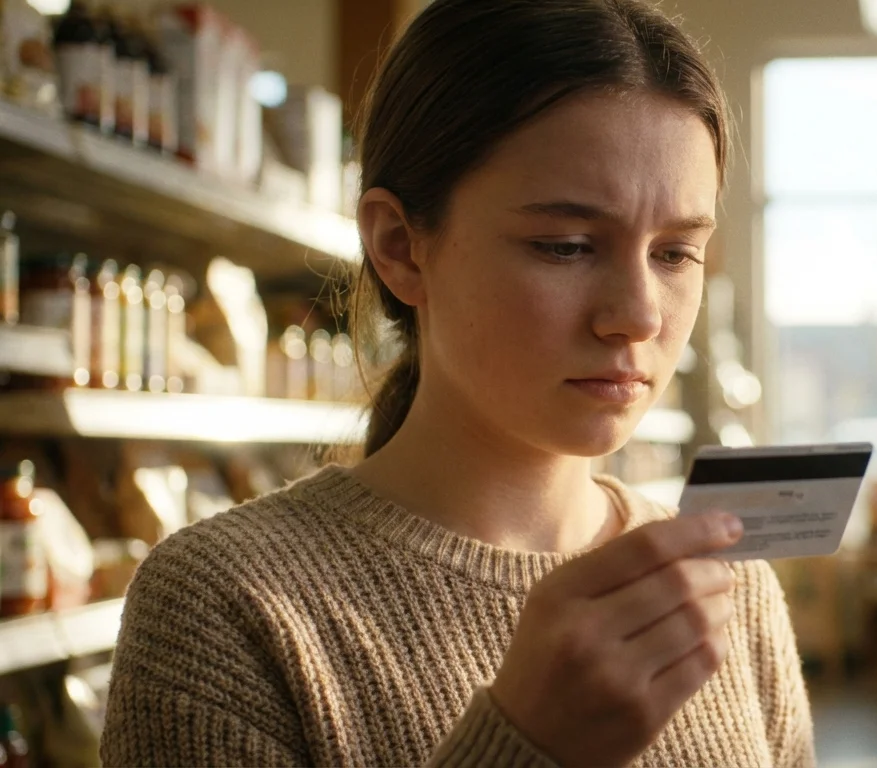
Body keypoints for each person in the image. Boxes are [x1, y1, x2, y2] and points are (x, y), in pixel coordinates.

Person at [99, 1, 815, 766]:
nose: (638, 316)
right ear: (401, 246)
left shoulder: (727, 594)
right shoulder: (223, 607)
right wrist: (524, 745)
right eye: (567, 247)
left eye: (675, 254)